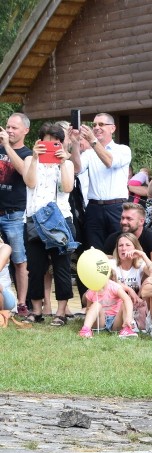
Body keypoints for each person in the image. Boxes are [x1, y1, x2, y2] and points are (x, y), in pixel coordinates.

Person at [21, 122, 75, 326]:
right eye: (45, 142)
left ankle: (61, 312)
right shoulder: (29, 159)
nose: (50, 146)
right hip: (34, 218)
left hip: (60, 219)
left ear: (61, 144)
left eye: (55, 143)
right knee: (35, 267)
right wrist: (35, 158)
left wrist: (62, 162)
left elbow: (68, 187)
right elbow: (30, 183)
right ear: (38, 142)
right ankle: (36, 310)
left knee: (61, 267)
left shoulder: (67, 163)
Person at [69, 113, 132, 253]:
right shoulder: (89, 154)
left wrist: (92, 141)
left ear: (113, 128)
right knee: (94, 251)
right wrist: (74, 143)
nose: (96, 128)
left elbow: (109, 161)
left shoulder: (123, 150)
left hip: (117, 207)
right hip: (94, 208)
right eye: (94, 125)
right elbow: (75, 169)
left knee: (119, 250)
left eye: (101, 124)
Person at [0, 112, 33, 315]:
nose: (10, 131)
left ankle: (21, 303)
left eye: (14, 128)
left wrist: (7, 148)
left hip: (15, 214)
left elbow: (23, 171)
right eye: (8, 127)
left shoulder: (27, 154)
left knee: (19, 260)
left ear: (25, 131)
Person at [110, 232, 152, 332]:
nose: (123, 248)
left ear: (135, 247)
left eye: (128, 245)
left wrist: (143, 255)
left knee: (150, 280)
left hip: (136, 307)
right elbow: (105, 283)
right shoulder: (111, 265)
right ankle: (128, 326)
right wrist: (129, 289)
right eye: (120, 245)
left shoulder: (140, 265)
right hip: (116, 308)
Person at [78, 269, 137, 339]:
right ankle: (85, 330)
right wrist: (90, 313)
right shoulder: (91, 291)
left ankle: (127, 328)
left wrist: (129, 317)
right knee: (96, 305)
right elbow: (88, 309)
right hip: (100, 321)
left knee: (124, 304)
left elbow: (127, 300)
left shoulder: (114, 287)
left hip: (116, 321)